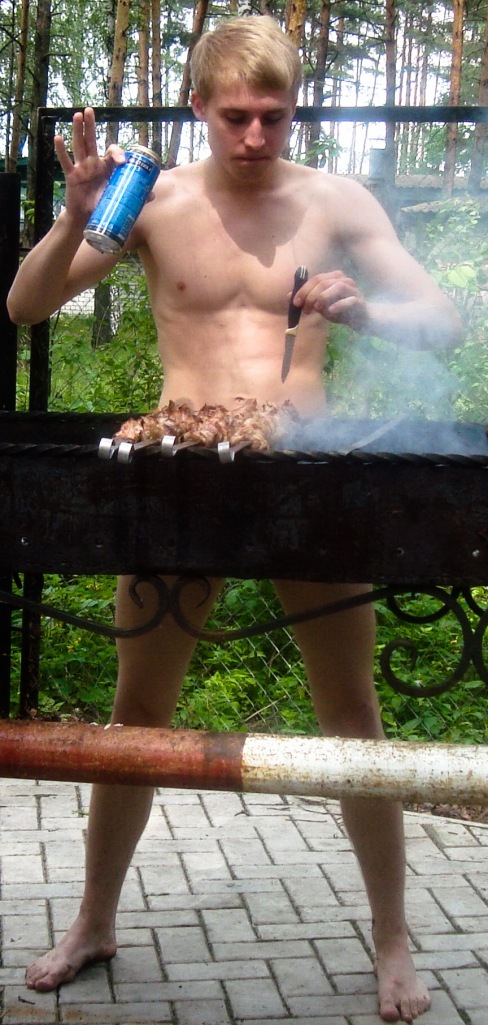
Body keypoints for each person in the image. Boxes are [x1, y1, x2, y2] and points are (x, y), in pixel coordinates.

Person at [8, 16, 461, 1024]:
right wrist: (69, 220)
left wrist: (368, 311)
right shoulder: (151, 200)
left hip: (304, 474)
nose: (255, 136)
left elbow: (442, 321)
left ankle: (392, 937)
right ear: (197, 109)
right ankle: (92, 921)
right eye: (235, 117)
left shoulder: (335, 202)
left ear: (294, 110)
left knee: (351, 711)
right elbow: (25, 307)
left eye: (274, 116)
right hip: (179, 470)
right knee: (137, 713)